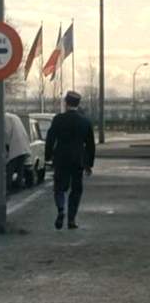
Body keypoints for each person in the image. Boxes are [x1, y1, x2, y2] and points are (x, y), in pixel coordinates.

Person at [45, 91, 95, 230]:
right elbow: (90, 144)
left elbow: (50, 139)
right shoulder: (85, 121)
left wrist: (48, 156)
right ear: (78, 104)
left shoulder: (58, 119)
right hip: (78, 160)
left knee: (59, 187)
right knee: (76, 190)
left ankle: (61, 209)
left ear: (66, 103)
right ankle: (71, 220)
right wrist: (89, 164)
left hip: (61, 158)